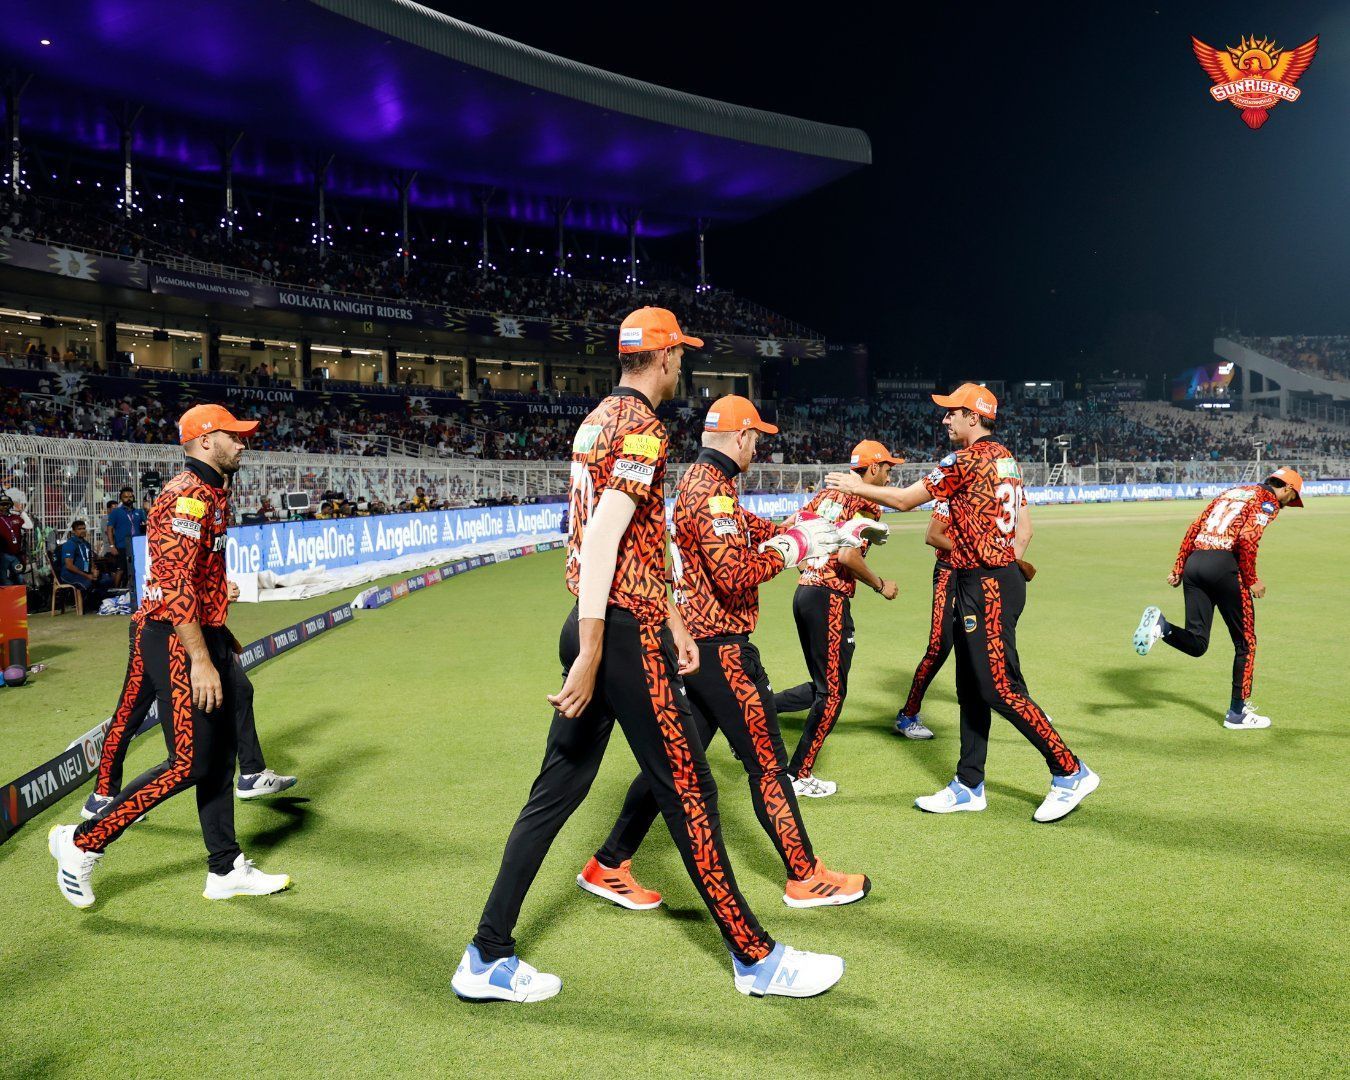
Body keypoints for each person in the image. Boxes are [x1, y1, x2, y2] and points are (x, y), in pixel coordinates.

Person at [453, 308, 844, 1004]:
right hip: (616, 633)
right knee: (691, 789)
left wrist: (670, 619)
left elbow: (633, 540)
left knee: (555, 792)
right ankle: (755, 959)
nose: (681, 368)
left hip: (605, 618)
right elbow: (605, 536)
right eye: (680, 357)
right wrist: (602, 645)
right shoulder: (643, 427)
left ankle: (486, 954)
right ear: (665, 360)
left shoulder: (595, 418)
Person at [579, 395, 872, 914]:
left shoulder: (699, 484)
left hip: (693, 647)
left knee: (673, 767)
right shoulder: (713, 494)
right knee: (768, 767)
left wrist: (808, 532)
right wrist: (793, 549)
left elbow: (746, 529)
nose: (758, 447)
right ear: (739, 438)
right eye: (756, 437)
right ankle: (805, 877)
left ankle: (609, 860)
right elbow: (735, 574)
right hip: (721, 652)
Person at [47, 403, 291, 908]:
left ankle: (224, 869)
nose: (244, 443)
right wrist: (201, 658)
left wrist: (219, 622)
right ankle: (82, 842)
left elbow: (193, 576)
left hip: (201, 632)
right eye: (234, 436)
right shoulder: (186, 498)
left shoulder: (213, 491)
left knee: (220, 754)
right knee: (187, 763)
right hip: (175, 638)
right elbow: (176, 585)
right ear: (205, 442)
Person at [826, 383, 1097, 824]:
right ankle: (969, 784)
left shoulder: (966, 460)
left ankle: (1070, 771)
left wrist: (855, 485)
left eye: (952, 412)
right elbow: (1024, 529)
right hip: (994, 579)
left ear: (974, 417)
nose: (946, 419)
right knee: (971, 685)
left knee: (997, 688)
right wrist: (1006, 564)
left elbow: (902, 500)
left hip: (985, 584)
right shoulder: (1007, 460)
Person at [82, 584, 299, 821]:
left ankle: (252, 772)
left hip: (194, 632)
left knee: (241, 690)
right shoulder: (174, 548)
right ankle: (101, 797)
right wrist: (214, 593)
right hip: (157, 630)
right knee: (131, 713)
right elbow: (170, 590)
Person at [773, 440, 901, 798]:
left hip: (805, 592)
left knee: (820, 685)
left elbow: (789, 527)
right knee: (832, 693)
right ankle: (798, 775)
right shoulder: (868, 504)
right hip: (829, 598)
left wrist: (808, 564)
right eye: (887, 469)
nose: (890, 475)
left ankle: (752, 708)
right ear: (872, 469)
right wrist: (880, 585)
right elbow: (847, 556)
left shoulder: (826, 495)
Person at [1133, 467, 1303, 729]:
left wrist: (1179, 567)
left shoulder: (1233, 491)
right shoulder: (1268, 501)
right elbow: (1247, 538)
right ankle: (1238, 713)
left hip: (1196, 562)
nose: (1290, 504)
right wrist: (1252, 579)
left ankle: (1162, 627)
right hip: (1224, 568)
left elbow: (1194, 528)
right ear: (1288, 489)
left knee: (1198, 643)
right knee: (1246, 643)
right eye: (1293, 499)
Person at [892, 499, 954, 740]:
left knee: (987, 641)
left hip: (974, 574)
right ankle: (907, 715)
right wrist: (973, 552)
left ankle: (1013, 698)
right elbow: (932, 536)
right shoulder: (950, 494)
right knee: (939, 647)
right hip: (950, 574)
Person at [56, 520, 110, 611]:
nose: (83, 531)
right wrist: (87, 575)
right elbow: (69, 565)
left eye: (84, 528)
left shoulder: (86, 544)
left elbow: (90, 559)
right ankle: (86, 606)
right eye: (79, 529)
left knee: (107, 579)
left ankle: (97, 604)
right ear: (73, 531)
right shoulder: (70, 544)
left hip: (84, 572)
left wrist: (93, 569)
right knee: (88, 583)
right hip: (70, 574)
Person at [105, 485, 147, 588]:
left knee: (137, 568)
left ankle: (136, 590)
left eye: (130, 496)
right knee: (121, 569)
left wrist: (147, 511)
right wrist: (112, 546)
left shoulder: (139, 512)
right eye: (125, 497)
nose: (128, 499)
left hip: (137, 546)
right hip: (122, 545)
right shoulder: (116, 512)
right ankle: (115, 592)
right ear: (121, 499)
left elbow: (147, 524)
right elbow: (109, 529)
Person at [0, 493, 27, 586]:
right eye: (2, 504)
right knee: (4, 580)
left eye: (7, 504)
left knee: (19, 578)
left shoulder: (15, 517)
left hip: (16, 555)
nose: (5, 506)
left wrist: (22, 512)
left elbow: (30, 526)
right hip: (3, 555)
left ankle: (20, 599)